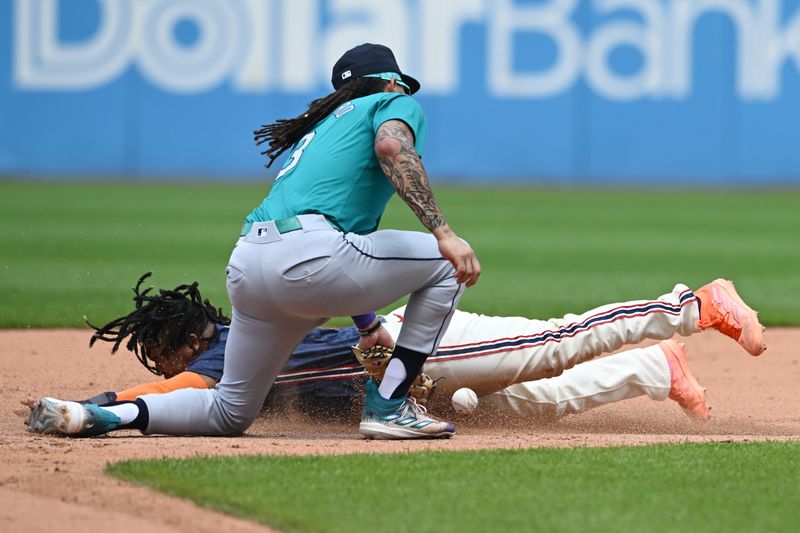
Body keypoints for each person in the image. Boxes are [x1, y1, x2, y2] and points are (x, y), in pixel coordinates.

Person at [26, 43, 480, 440]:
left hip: (250, 265)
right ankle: (389, 405)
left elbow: (335, 239)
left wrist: (366, 325)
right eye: (401, 85)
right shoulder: (389, 103)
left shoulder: (322, 129)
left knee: (229, 411)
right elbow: (391, 148)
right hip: (312, 258)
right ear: (389, 82)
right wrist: (444, 234)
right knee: (447, 263)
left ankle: (98, 414)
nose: (404, 94)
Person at [27, 272, 766, 435]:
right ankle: (653, 365)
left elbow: (174, 391)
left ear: (185, 338)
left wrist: (90, 408)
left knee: (553, 341)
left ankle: (691, 306)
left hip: (430, 349)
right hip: (406, 388)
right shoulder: (229, 346)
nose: (158, 367)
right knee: (540, 400)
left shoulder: (224, 351)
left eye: (155, 353)